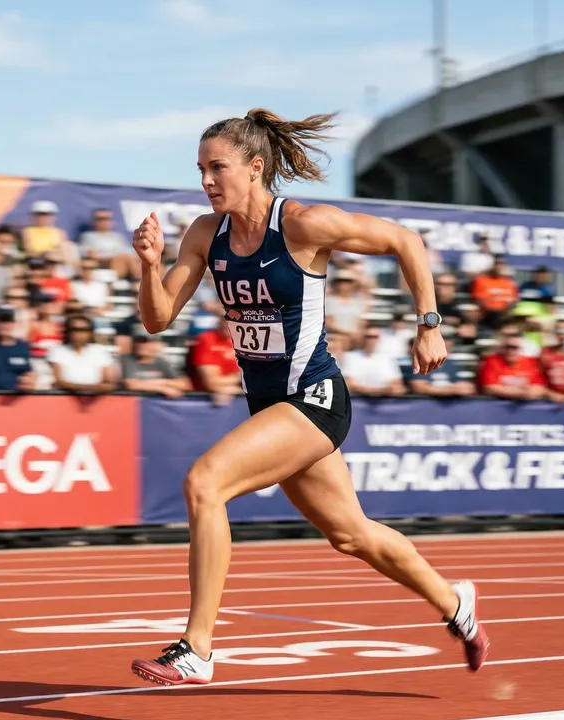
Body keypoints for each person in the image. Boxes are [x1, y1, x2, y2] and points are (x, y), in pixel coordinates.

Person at [128, 108, 488, 687]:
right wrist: (148, 267)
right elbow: (157, 318)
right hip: (272, 408)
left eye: (216, 168)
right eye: (199, 169)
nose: (205, 181)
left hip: (316, 398)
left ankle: (197, 646)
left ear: (254, 166)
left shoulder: (300, 224)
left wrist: (429, 323)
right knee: (352, 535)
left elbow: (405, 240)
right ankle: (456, 603)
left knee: (205, 482)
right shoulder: (204, 234)